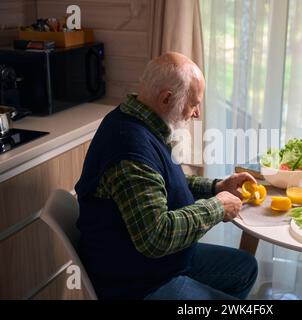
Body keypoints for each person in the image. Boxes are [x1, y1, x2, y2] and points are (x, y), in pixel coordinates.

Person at [75, 52, 258, 300]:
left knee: (244, 268)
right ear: (167, 98)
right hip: (137, 283)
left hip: (163, 264)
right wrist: (217, 207)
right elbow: (156, 236)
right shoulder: (129, 150)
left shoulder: (141, 121)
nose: (196, 114)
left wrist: (216, 187)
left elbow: (164, 185)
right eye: (193, 103)